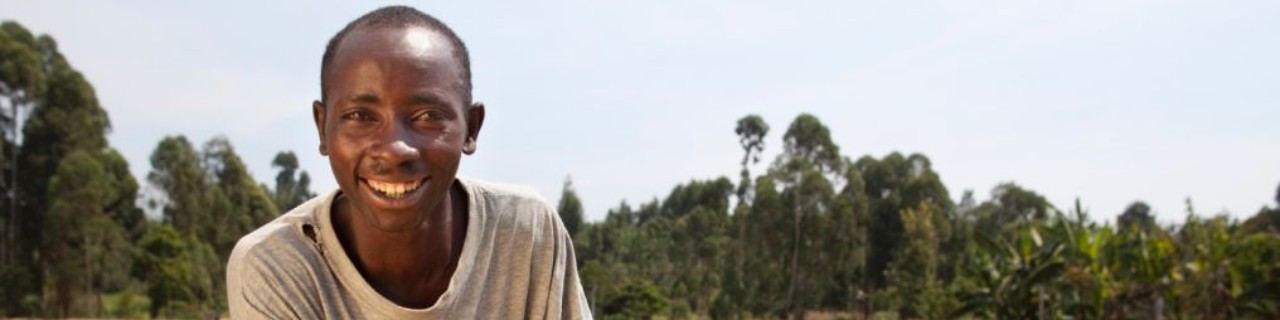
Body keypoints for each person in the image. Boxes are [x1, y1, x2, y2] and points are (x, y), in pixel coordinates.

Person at [226, 6, 591, 319]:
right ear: (323, 128)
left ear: (471, 128)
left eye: (428, 115)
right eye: (359, 115)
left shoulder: (525, 232)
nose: (395, 149)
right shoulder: (277, 265)